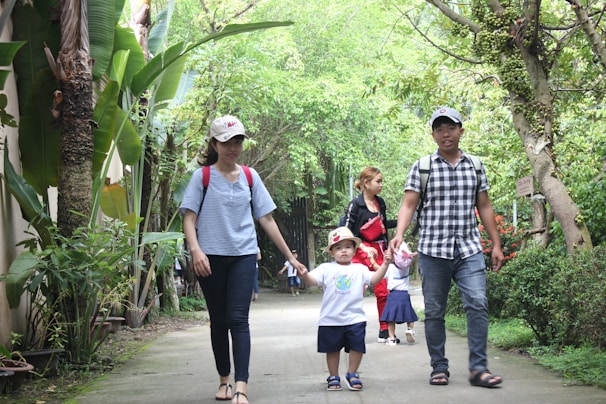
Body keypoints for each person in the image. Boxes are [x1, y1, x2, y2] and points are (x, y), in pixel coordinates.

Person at [181, 115, 306, 404]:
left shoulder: (250, 177)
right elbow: (189, 218)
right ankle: (224, 379)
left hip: (244, 256)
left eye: (237, 141)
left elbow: (267, 219)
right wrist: (196, 251)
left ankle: (241, 385)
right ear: (214, 144)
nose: (232, 147)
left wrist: (290, 257)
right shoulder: (203, 177)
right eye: (226, 142)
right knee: (218, 320)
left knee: (239, 319)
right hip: (209, 257)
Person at [390, 107, 505, 388]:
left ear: (461, 131)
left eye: (451, 128)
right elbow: (409, 203)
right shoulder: (423, 166)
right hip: (432, 250)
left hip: (469, 249)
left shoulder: (475, 165)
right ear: (433, 134)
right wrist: (399, 233)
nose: (446, 134)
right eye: (440, 129)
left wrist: (496, 244)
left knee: (477, 304)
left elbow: (485, 206)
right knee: (434, 311)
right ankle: (438, 367)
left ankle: (478, 369)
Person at [297, 227, 393, 391]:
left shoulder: (359, 269)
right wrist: (304, 275)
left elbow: (375, 279)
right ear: (331, 252)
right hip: (330, 319)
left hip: (355, 318)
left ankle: (352, 373)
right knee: (332, 349)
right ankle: (333, 376)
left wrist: (385, 264)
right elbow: (312, 281)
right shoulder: (326, 268)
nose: (344, 251)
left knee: (357, 347)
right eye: (338, 248)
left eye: (348, 247)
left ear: (354, 250)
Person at [341, 167, 397, 343]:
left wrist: (403, 220)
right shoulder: (355, 205)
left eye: (381, 181)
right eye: (378, 181)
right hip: (359, 251)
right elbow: (346, 231)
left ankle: (384, 329)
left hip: (379, 250)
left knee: (383, 291)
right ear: (366, 183)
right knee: (354, 291)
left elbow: (383, 225)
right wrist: (363, 248)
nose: (381, 185)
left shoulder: (380, 203)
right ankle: (349, 328)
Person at [380, 241, 419, 346]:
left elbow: (378, 271)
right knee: (409, 315)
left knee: (391, 318)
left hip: (393, 295)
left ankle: (392, 338)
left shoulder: (390, 268)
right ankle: (410, 329)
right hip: (404, 295)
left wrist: (372, 260)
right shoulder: (406, 269)